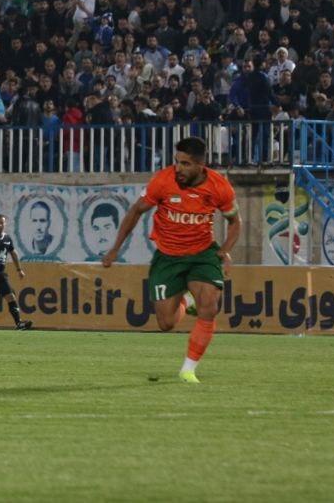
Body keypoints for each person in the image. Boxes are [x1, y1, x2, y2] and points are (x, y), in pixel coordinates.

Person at [102, 136, 240, 384]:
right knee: (165, 323)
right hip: (168, 257)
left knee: (209, 306)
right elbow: (136, 211)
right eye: (177, 162)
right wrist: (115, 249)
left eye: (185, 164)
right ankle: (186, 301)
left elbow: (235, 222)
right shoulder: (163, 181)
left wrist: (225, 249)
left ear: (200, 165)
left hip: (202, 254)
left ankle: (188, 370)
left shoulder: (220, 187)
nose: (179, 168)